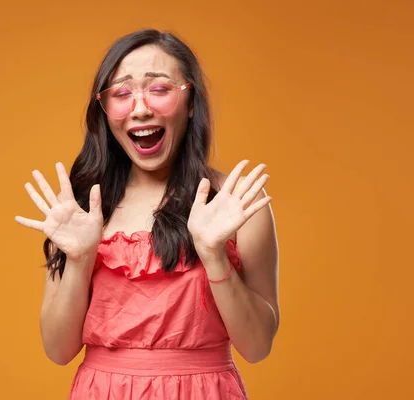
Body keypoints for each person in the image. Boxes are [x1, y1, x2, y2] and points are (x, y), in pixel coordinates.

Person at [15, 28, 280, 399]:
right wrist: (79, 259)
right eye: (122, 93)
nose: (140, 108)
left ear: (191, 103)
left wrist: (213, 256)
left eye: (159, 89)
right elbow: (58, 351)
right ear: (105, 111)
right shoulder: (83, 208)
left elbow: (257, 347)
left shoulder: (235, 204)